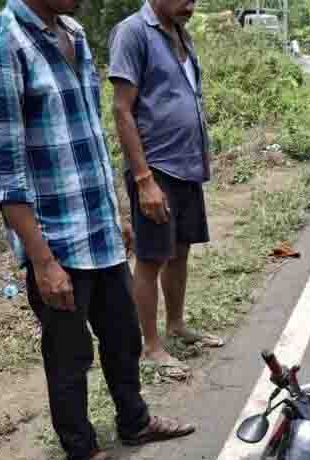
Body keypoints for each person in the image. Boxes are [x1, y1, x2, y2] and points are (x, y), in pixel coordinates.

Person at [0, 0, 195, 460]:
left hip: (99, 228)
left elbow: (88, 136)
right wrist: (42, 261)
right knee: (69, 357)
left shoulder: (73, 32)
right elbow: (1, 170)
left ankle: (134, 421)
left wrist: (117, 213)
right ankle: (83, 450)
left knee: (123, 337)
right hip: (56, 240)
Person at [109, 0, 225, 382]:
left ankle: (176, 325)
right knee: (151, 256)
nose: (190, 4)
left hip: (187, 165)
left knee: (180, 251)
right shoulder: (133, 32)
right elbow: (122, 110)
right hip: (156, 169)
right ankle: (152, 345)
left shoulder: (180, 33)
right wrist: (144, 181)